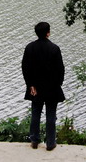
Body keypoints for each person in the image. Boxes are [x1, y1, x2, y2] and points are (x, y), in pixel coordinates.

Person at [21, 21, 65, 150]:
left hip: (36, 88)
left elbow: (25, 68)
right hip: (52, 87)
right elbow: (60, 70)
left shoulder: (29, 48)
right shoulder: (54, 49)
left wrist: (30, 85)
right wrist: (58, 84)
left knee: (36, 113)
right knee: (51, 115)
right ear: (48, 33)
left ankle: (34, 140)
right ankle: (50, 143)